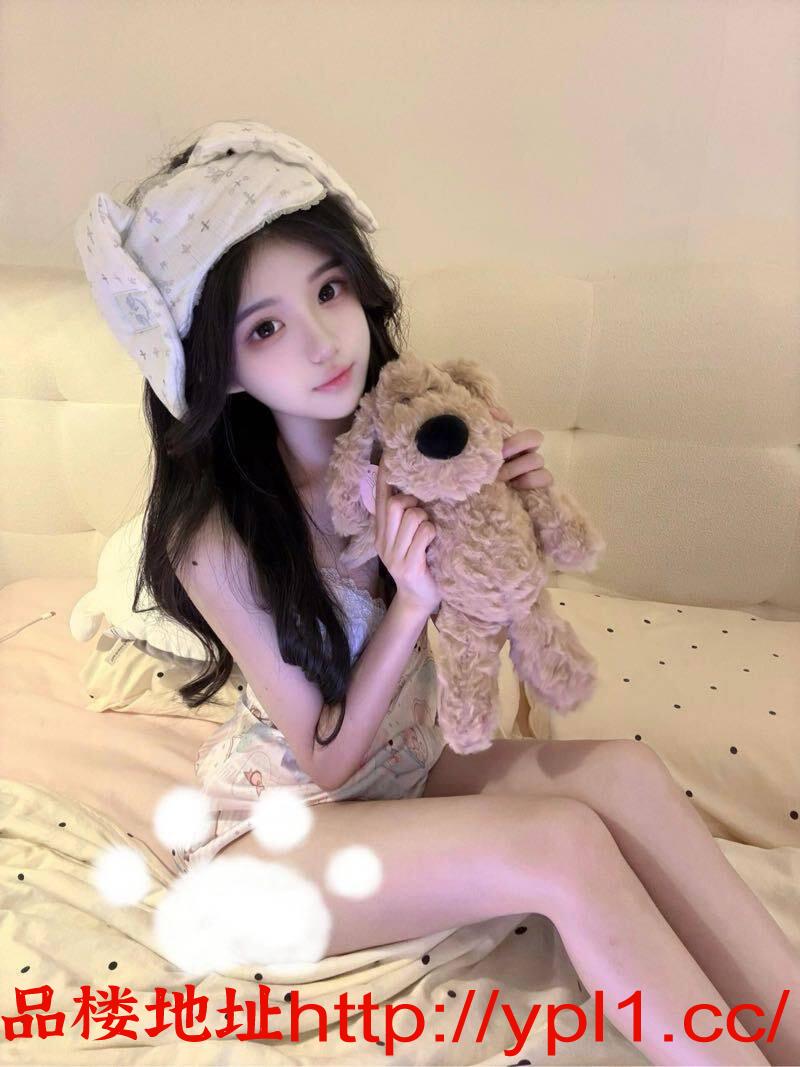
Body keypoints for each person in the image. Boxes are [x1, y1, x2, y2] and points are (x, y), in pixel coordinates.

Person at [74, 121, 797, 1066]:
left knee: (626, 771)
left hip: (406, 772)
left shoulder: (410, 435)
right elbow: (327, 758)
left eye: (329, 289)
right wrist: (408, 601)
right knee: (561, 842)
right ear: (222, 367)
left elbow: (487, 614)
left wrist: (509, 507)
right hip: (277, 833)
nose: (323, 340)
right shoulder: (214, 537)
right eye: (265, 328)